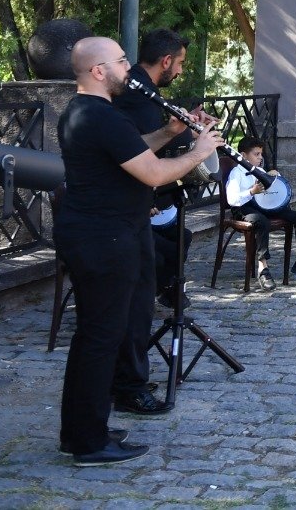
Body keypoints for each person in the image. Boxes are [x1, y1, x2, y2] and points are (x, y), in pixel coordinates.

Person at [54, 36, 219, 465]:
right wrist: (200, 150)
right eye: (121, 61)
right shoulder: (101, 116)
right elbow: (152, 173)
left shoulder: (84, 112)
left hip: (95, 235)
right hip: (105, 240)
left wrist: (170, 131)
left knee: (94, 337)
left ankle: (81, 431)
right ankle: (89, 442)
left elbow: (131, 151)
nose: (128, 68)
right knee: (100, 339)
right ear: (97, 71)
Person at [105, 27, 206, 416]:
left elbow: (142, 143)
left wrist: (177, 129)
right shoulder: (136, 95)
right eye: (179, 63)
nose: (179, 71)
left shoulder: (140, 94)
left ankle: (128, 379)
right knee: (134, 306)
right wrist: (194, 149)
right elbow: (143, 158)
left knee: (146, 285)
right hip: (126, 213)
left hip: (132, 209)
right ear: (166, 61)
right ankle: (128, 385)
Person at [227, 137, 296, 287]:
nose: (260, 157)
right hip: (244, 208)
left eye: (261, 154)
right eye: (256, 154)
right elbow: (232, 200)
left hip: (264, 206)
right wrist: (251, 191)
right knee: (261, 221)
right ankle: (263, 268)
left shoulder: (260, 171)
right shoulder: (236, 173)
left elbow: (277, 192)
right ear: (243, 156)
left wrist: (278, 177)